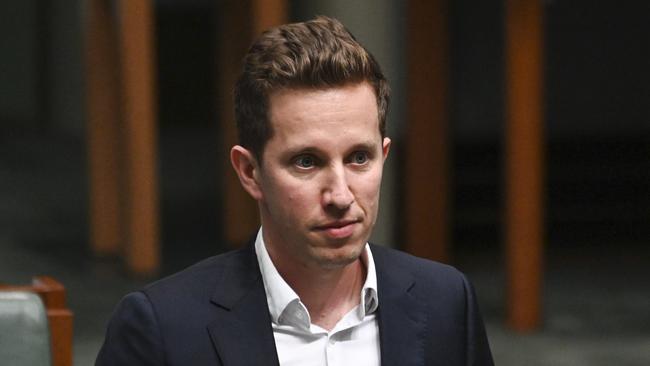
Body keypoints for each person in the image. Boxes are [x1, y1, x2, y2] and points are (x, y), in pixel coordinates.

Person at [96, 16, 493, 366]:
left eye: (359, 158)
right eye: (307, 161)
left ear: (384, 156)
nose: (340, 195)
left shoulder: (446, 301)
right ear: (250, 172)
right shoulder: (162, 329)